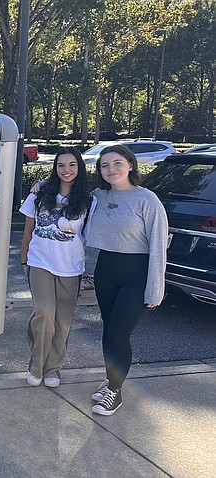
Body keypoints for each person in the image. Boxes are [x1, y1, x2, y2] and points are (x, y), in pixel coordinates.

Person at [86, 145, 168, 416]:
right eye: (105, 165)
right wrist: (41, 186)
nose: (111, 169)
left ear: (131, 165)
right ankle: (112, 382)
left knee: (120, 333)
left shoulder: (147, 200)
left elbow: (158, 246)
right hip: (106, 270)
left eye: (117, 163)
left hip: (137, 273)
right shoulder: (97, 196)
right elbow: (66, 196)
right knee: (108, 331)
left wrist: (155, 290)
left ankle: (115, 393)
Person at [20, 148, 93, 389]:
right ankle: (36, 366)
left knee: (62, 322)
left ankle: (53, 368)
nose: (66, 170)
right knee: (44, 314)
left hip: (71, 267)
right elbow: (28, 231)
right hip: (40, 262)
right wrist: (23, 260)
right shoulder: (39, 195)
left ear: (79, 168)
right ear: (55, 168)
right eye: (61, 165)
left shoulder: (89, 199)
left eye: (72, 165)